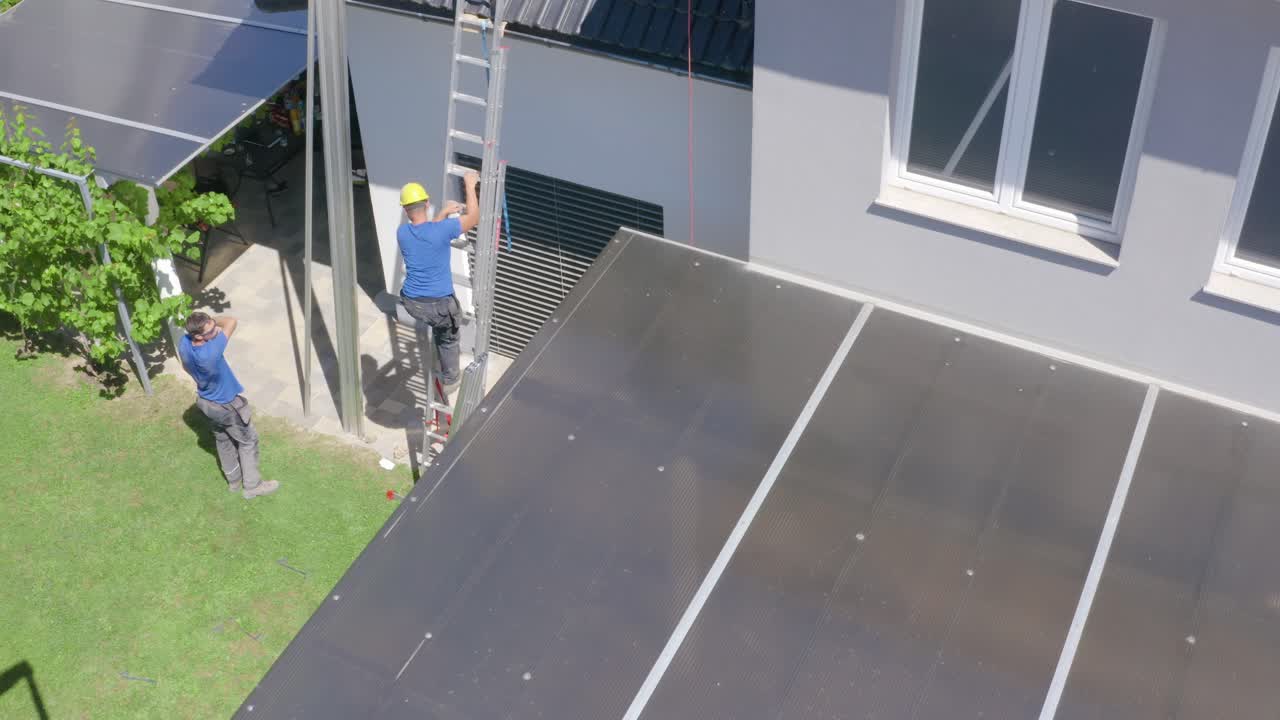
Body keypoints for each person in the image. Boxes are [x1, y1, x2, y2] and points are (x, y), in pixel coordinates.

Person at [178, 312, 280, 499]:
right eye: (210, 330)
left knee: (223, 440)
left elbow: (185, 366)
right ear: (199, 336)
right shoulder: (211, 352)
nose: (216, 330)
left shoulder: (184, 343)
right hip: (227, 405)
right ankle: (252, 486)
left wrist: (206, 325)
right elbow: (231, 321)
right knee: (248, 441)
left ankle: (234, 481)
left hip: (206, 402)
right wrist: (215, 321)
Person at [396, 172, 481, 392]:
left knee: (439, 323)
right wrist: (469, 185)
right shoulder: (441, 230)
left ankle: (438, 331)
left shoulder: (403, 232)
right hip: (439, 306)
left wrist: (443, 213)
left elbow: (427, 233)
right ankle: (451, 380)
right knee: (448, 337)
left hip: (412, 303)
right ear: (426, 203)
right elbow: (473, 218)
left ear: (405, 209)